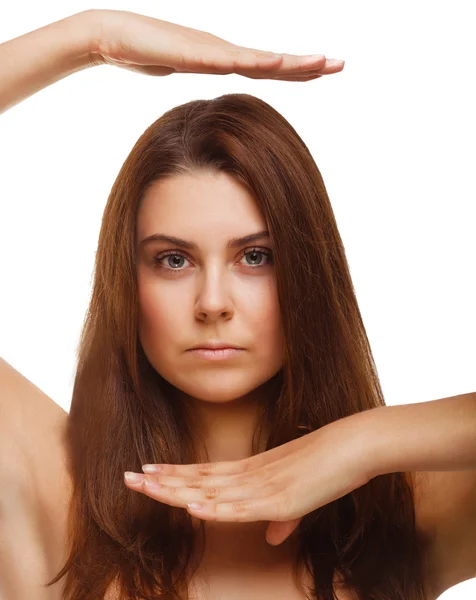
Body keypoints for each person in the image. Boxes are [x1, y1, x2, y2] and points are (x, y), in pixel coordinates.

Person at [1, 8, 475, 600]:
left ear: (308, 271)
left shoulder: (401, 512)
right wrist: (90, 38)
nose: (213, 303)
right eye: (174, 260)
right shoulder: (56, 493)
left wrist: (363, 443)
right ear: (128, 280)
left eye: (255, 257)